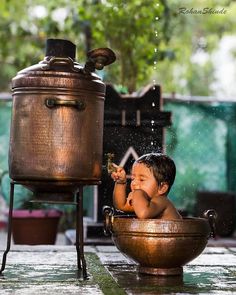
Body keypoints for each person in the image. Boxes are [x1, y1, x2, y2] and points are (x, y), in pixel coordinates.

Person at [111, 153, 182, 220]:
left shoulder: (162, 202)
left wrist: (137, 192)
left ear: (162, 188)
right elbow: (121, 206)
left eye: (141, 180)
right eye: (133, 178)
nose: (133, 183)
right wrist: (121, 183)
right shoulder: (145, 203)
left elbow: (143, 213)